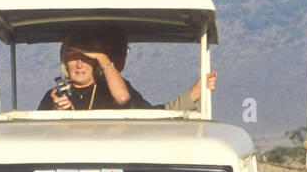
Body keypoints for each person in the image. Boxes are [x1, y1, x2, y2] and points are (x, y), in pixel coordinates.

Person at [38, 26, 218, 112]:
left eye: (86, 58)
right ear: (64, 60)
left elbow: (141, 109)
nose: (79, 64)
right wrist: (55, 112)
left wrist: (194, 93)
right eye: (72, 58)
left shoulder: (113, 89)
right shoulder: (52, 95)